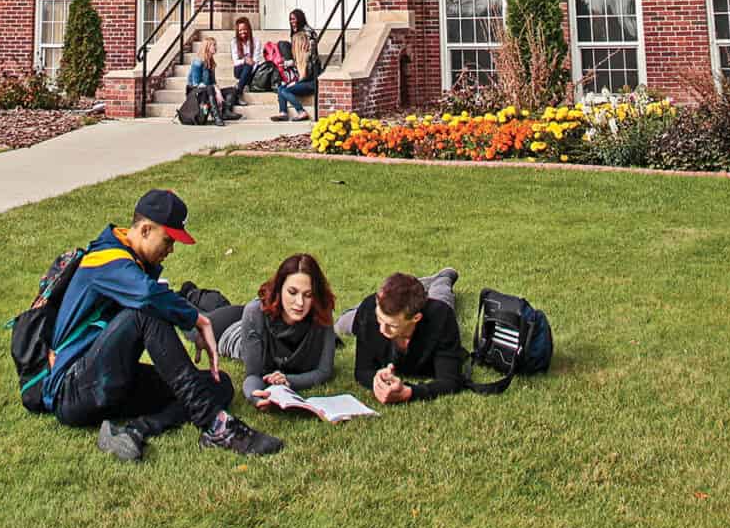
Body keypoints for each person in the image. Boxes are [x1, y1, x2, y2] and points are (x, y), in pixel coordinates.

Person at [41, 189, 284, 461]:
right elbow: (147, 297)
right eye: (168, 241)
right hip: (73, 391)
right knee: (146, 313)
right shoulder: (105, 260)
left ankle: (135, 430)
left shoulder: (129, 263)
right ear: (145, 230)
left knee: (219, 385)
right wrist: (197, 319)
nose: (171, 250)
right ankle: (215, 426)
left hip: (111, 382)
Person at [217, 252, 337, 407]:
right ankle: (189, 293)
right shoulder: (255, 313)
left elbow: (324, 371)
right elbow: (253, 375)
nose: (300, 303)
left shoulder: (321, 310)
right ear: (279, 289)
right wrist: (255, 396)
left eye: (308, 295)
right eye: (292, 292)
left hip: (260, 316)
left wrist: (286, 380)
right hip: (231, 333)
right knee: (197, 323)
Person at [347, 269, 466, 405]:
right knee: (341, 325)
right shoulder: (369, 310)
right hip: (371, 308)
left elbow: (450, 380)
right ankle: (412, 287)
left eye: (392, 326)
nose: (382, 329)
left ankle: (442, 278)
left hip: (435, 305)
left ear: (416, 318)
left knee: (441, 295)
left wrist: (409, 392)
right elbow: (362, 370)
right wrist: (376, 381)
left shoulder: (441, 316)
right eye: (379, 319)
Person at [184, 35, 224, 125]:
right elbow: (196, 84)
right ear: (207, 47)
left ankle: (224, 114)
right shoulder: (198, 62)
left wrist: (218, 91)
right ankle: (217, 117)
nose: (215, 47)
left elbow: (213, 82)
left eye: (215, 45)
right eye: (213, 45)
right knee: (210, 88)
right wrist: (213, 89)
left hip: (208, 90)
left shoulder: (211, 62)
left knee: (231, 91)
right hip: (195, 92)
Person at [267, 37, 309, 119]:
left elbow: (307, 77)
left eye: (294, 44)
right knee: (280, 88)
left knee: (285, 90)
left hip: (309, 83)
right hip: (300, 82)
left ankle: (301, 111)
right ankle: (283, 112)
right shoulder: (297, 58)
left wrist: (294, 83)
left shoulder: (308, 57)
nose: (292, 47)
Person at [228, 18, 258, 114]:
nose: (242, 32)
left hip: (252, 71)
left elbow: (256, 61)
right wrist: (245, 60)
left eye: (244, 29)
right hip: (239, 71)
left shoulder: (256, 41)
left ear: (249, 29)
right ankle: (240, 91)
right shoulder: (234, 42)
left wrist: (249, 64)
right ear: (237, 31)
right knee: (247, 63)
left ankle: (237, 90)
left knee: (249, 65)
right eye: (240, 30)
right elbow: (236, 62)